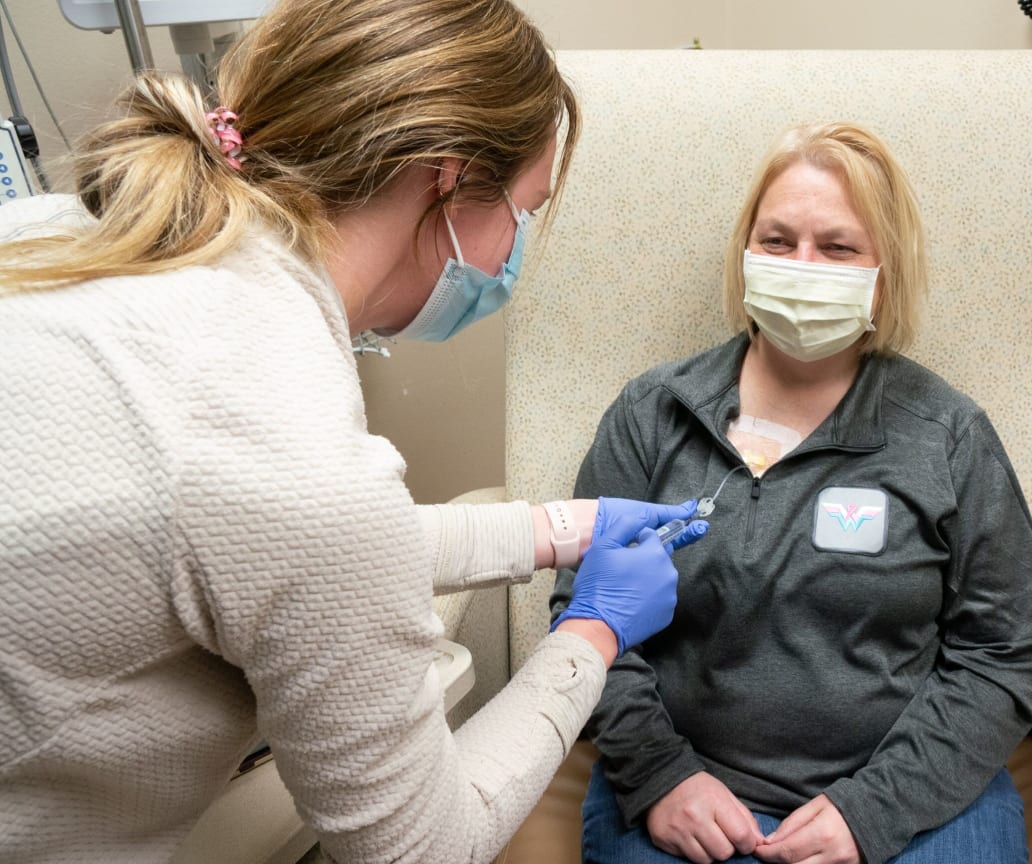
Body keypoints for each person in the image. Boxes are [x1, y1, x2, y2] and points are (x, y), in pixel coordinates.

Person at [0, 1, 706, 861]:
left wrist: (561, 529)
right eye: (524, 211)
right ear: (445, 178)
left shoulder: (54, 234)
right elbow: (422, 846)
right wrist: (592, 632)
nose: (512, 252)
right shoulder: (287, 444)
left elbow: (253, 547)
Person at [551, 122, 1032, 864]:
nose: (803, 266)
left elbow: (1005, 649)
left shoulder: (946, 435)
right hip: (689, 791)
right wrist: (659, 775)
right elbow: (585, 614)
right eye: (778, 242)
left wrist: (876, 809)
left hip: (913, 796)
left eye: (839, 247)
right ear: (745, 254)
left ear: (885, 271)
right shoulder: (652, 415)